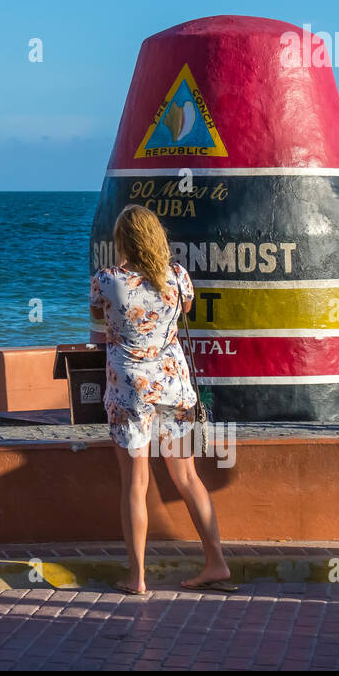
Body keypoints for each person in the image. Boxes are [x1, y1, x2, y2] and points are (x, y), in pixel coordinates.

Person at [90, 204, 233, 596]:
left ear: (123, 241)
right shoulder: (177, 277)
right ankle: (216, 563)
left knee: (135, 482)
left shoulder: (106, 280)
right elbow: (183, 309)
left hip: (129, 390)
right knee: (187, 476)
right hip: (174, 386)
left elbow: (98, 319)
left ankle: (137, 577)